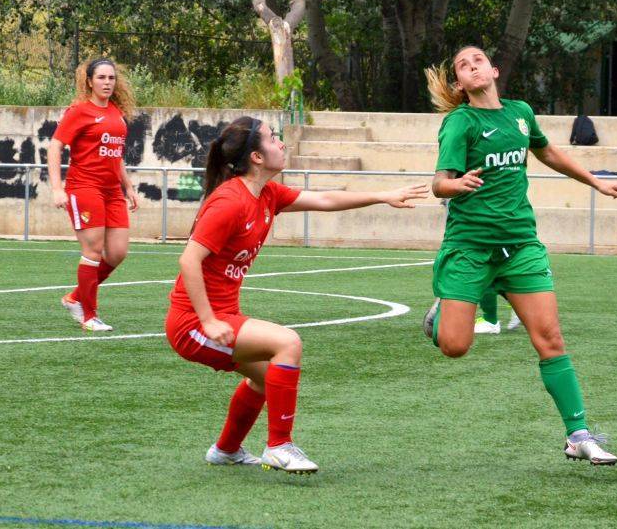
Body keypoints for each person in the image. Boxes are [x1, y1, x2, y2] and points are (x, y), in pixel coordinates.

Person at [167, 116, 427, 474]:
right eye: (273, 139)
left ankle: (226, 450)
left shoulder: (267, 194)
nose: (281, 144)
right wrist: (209, 321)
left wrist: (383, 196)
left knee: (264, 378)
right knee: (288, 343)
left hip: (220, 317)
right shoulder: (230, 201)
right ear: (256, 157)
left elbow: (324, 199)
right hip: (192, 324)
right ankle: (280, 446)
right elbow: (189, 260)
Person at [421, 46, 617, 465]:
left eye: (477, 60)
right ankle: (442, 313)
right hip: (469, 248)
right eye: (463, 66)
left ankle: (579, 434)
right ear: (460, 85)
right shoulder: (460, 122)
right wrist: (455, 184)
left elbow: (548, 152)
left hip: (520, 247)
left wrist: (598, 183)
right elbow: (437, 183)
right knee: (454, 347)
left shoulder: (520, 112)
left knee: (550, 339)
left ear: (494, 70)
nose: (471, 66)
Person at [48, 58, 139, 332]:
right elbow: (55, 146)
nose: (107, 83)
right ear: (89, 81)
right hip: (84, 187)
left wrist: (128, 186)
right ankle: (89, 315)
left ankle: (75, 297)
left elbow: (116, 155)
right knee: (93, 250)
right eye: (101, 78)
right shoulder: (79, 111)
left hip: (112, 192)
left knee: (118, 252)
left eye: (111, 78)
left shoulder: (116, 113)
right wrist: (56, 188)